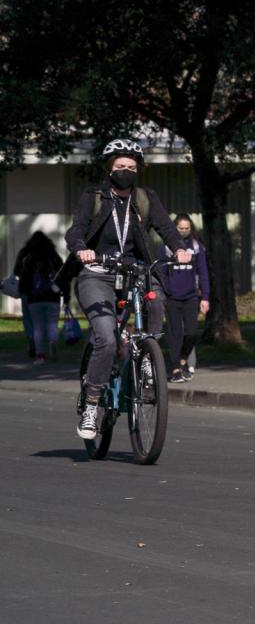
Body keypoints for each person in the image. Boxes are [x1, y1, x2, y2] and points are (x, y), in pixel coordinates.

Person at [65, 139, 190, 440]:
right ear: (109, 169)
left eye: (131, 168)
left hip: (135, 271)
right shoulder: (93, 197)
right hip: (97, 274)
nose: (126, 171)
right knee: (106, 339)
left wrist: (180, 248)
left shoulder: (146, 199)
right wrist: (81, 249)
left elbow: (167, 229)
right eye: (120, 167)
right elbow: (76, 230)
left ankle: (148, 358)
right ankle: (92, 403)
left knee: (157, 299)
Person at [159, 214, 210, 383]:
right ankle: (175, 368)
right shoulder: (167, 247)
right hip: (172, 298)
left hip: (191, 297)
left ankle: (182, 362)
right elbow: (162, 272)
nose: (184, 231)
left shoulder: (196, 247)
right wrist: (166, 292)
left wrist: (205, 297)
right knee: (175, 334)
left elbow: (203, 273)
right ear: (175, 228)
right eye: (180, 229)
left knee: (191, 332)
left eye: (187, 228)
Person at [15, 232, 66, 365]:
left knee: (37, 326)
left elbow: (19, 274)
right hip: (52, 297)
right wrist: (65, 294)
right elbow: (63, 275)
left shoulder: (28, 257)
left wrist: (24, 292)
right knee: (52, 324)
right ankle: (53, 342)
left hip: (33, 298)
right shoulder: (54, 257)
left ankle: (40, 355)